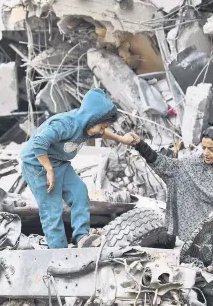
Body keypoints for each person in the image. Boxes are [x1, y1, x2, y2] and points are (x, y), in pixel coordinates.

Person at [20, 88, 136, 248]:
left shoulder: (88, 125)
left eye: (104, 127)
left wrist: (121, 139)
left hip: (58, 162)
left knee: (79, 192)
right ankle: (60, 254)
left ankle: (82, 238)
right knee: (52, 210)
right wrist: (49, 170)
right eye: (101, 127)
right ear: (91, 119)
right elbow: (38, 143)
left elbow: (101, 133)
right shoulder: (66, 125)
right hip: (38, 163)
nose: (102, 131)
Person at [129, 126, 213, 242]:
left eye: (212, 149)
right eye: (204, 148)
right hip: (204, 242)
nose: (206, 153)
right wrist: (141, 146)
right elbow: (168, 167)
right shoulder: (195, 165)